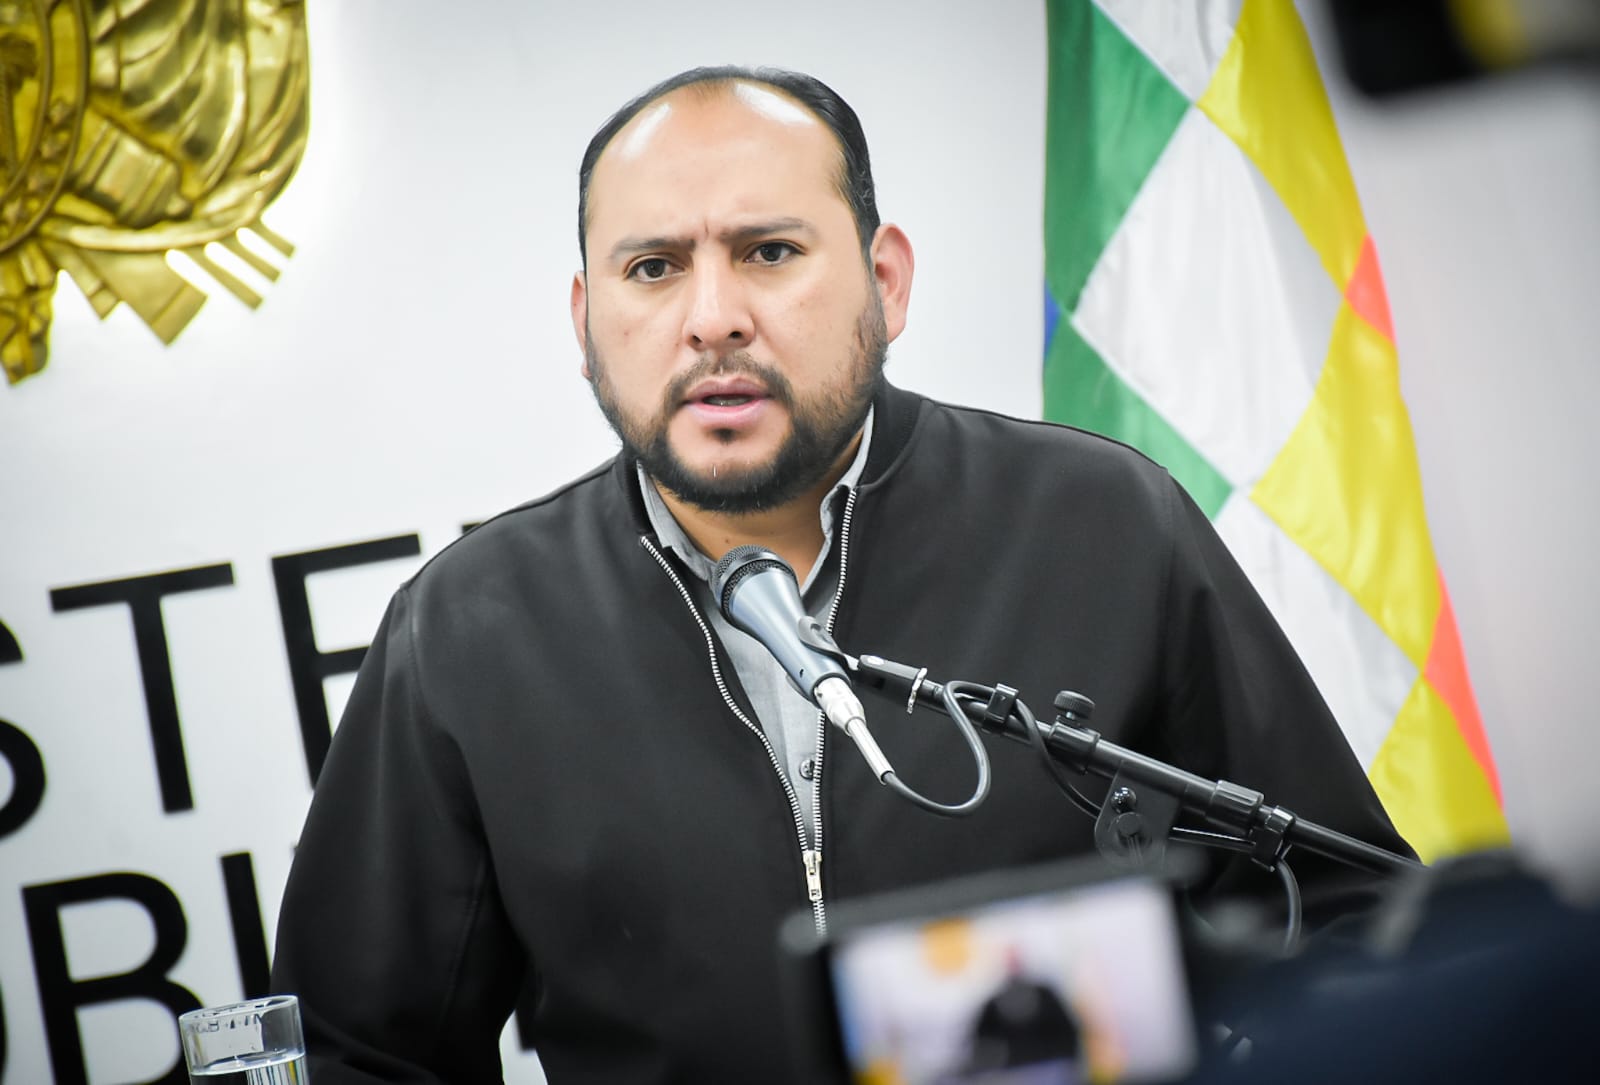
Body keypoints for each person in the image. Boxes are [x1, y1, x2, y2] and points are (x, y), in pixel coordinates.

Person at [270, 66, 1413, 1083]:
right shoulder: (469, 628)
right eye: (653, 268)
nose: (712, 318)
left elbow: (1346, 914)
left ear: (886, 281)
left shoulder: (1099, 519)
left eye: (768, 252)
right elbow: (358, 1052)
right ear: (586, 321)